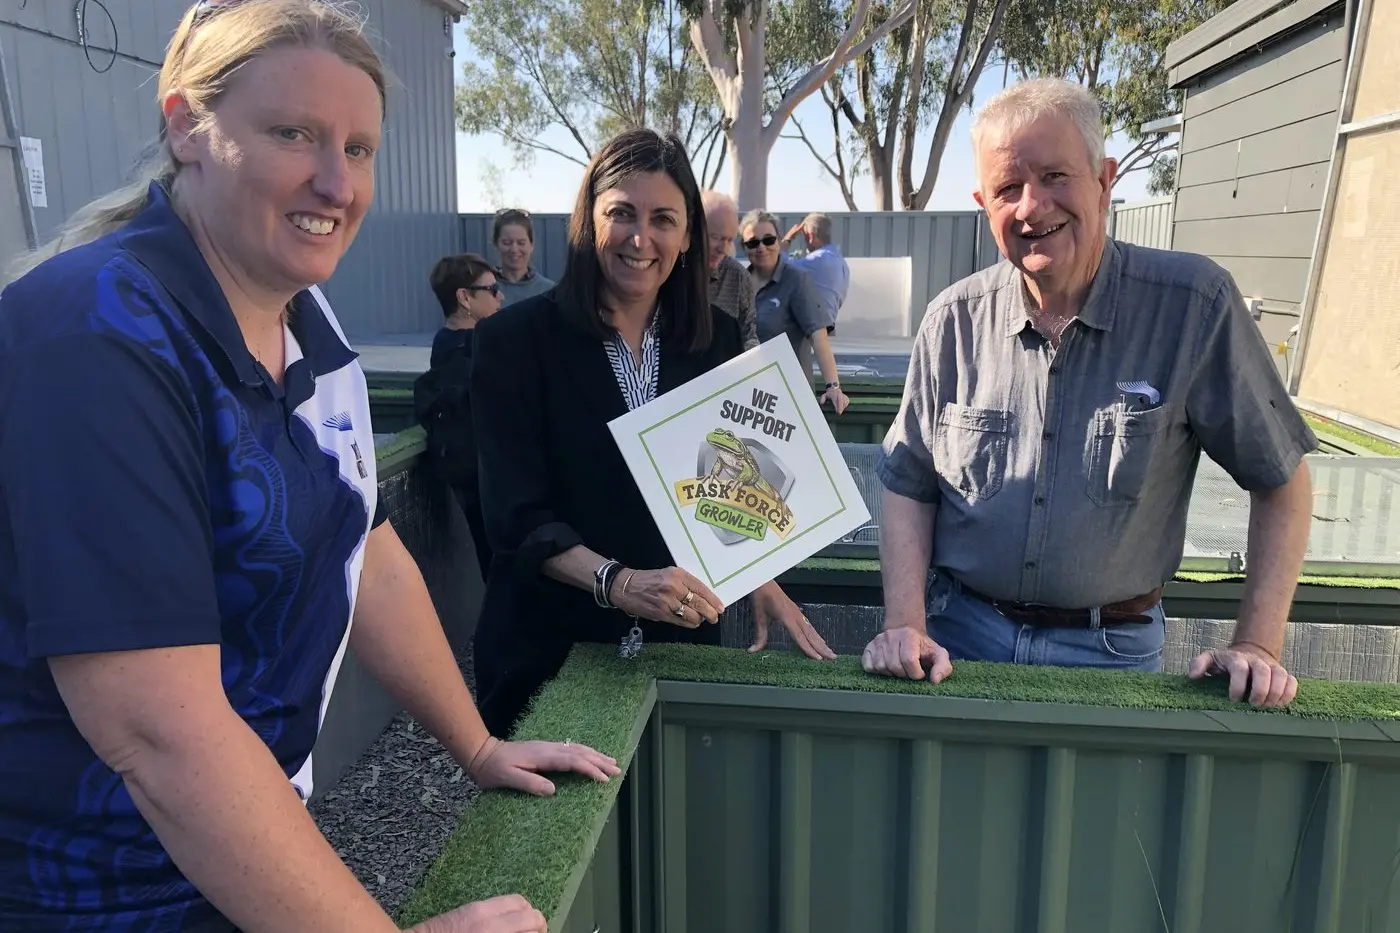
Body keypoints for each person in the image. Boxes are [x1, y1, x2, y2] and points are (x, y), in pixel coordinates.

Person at [0, 3, 616, 931]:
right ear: (186, 125)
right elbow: (157, 732)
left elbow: (365, 553)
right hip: (94, 887)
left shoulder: (308, 321)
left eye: (360, 149)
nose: (335, 181)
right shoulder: (98, 333)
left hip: (238, 842)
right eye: (294, 134)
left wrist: (479, 745)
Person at [862, 77, 1315, 709]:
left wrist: (1259, 646)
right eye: (1007, 189)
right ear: (982, 204)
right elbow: (908, 483)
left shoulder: (1193, 306)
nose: (1031, 206)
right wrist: (905, 622)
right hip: (958, 642)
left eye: (1055, 176)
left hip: (1114, 654)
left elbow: (1282, 478)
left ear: (1103, 180)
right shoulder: (953, 320)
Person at [469, 128, 837, 737]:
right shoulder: (512, 342)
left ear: (688, 234)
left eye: (664, 218)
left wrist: (758, 572)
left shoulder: (716, 338)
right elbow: (515, 515)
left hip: (682, 639)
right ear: (589, 220)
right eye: (622, 213)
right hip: (552, 647)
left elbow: (724, 477)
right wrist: (620, 583)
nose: (642, 239)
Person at [416, 252, 502, 581]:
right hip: (489, 479)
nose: (500, 296)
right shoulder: (476, 347)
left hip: (472, 478)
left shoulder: (447, 343)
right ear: (464, 297)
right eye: (491, 290)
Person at [742, 209, 850, 415]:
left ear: (779, 240)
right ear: (743, 247)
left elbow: (819, 337)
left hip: (788, 403)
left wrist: (833, 387)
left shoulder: (797, 280)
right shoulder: (739, 282)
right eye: (753, 243)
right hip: (746, 403)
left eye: (769, 240)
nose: (761, 248)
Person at [700, 189, 758, 349]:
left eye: (729, 240)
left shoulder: (738, 277)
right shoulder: (669, 270)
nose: (723, 249)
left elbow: (749, 337)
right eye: (716, 237)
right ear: (694, 230)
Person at [780, 211, 849, 329]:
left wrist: (788, 238)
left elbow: (778, 264)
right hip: (827, 325)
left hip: (811, 330)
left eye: (805, 237)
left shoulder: (818, 259)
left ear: (811, 236)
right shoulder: (842, 264)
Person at [492, 208, 555, 307]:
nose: (514, 249)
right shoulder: (485, 290)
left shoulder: (549, 292)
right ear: (496, 244)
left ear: (531, 244)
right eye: (507, 243)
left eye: (521, 243)